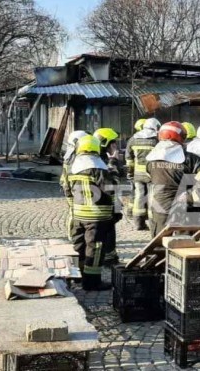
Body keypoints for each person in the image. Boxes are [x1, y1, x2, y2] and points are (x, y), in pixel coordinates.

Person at [67, 135, 120, 291]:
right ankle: (92, 283)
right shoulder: (98, 168)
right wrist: (113, 165)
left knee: (79, 246)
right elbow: (112, 188)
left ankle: (78, 276)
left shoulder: (71, 166)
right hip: (96, 216)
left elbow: (66, 188)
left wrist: (74, 208)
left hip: (78, 214)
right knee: (95, 249)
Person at [146, 121, 200, 236]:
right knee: (185, 244)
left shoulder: (150, 159)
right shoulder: (191, 159)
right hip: (185, 208)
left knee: (159, 243)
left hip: (160, 207)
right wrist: (189, 196)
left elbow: (149, 178)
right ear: (181, 137)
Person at [125, 117, 160, 231]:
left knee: (139, 197)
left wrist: (130, 173)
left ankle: (138, 223)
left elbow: (129, 159)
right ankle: (152, 223)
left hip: (138, 175)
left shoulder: (133, 139)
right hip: (152, 174)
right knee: (151, 198)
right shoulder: (156, 140)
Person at [60, 130, 89, 240]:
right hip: (72, 187)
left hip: (70, 186)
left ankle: (75, 235)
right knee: (74, 211)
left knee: (75, 211)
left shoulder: (70, 154)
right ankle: (73, 235)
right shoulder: (74, 156)